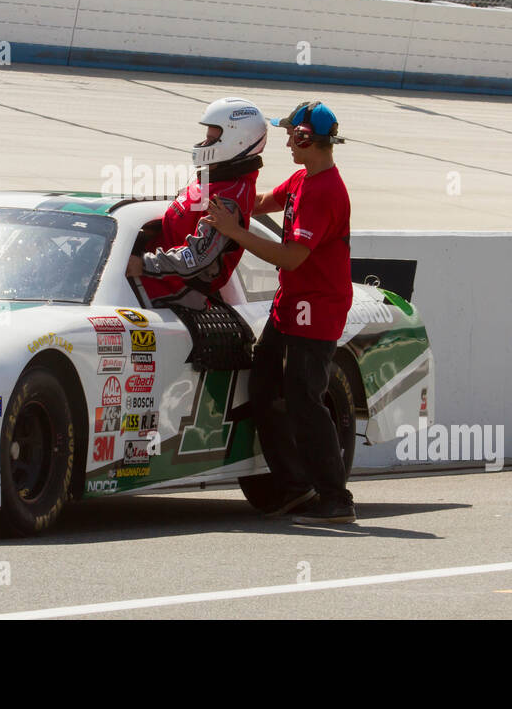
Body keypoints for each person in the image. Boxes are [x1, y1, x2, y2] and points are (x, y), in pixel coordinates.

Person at [202, 100, 355, 524]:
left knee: (305, 400)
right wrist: (227, 200)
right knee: (266, 389)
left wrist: (234, 230)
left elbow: (290, 257)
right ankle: (294, 487)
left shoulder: (325, 191)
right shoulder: (305, 177)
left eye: (292, 134)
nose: (286, 140)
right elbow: (267, 200)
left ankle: (335, 497)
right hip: (291, 304)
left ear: (307, 138)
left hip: (317, 310)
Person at [125, 98, 265, 308]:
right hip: (157, 280)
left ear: (238, 140)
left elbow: (196, 257)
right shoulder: (216, 178)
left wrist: (144, 264)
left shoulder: (227, 198)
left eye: (210, 139)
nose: (203, 144)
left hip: (174, 294)